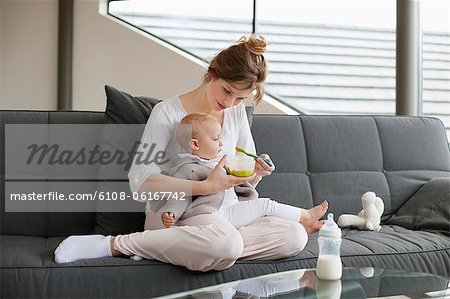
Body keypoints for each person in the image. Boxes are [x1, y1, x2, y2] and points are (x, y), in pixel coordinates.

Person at [54, 34, 328, 271]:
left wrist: (255, 171)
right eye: (227, 90)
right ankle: (115, 245)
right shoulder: (167, 113)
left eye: (240, 98)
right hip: (176, 215)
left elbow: (240, 177)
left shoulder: (235, 113)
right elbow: (141, 182)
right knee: (226, 244)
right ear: (212, 73)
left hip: (225, 215)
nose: (230, 103)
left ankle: (184, 251)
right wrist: (203, 185)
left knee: (293, 236)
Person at [159, 112, 328, 234]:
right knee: (265, 205)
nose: (221, 143)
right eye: (216, 139)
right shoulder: (188, 168)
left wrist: (256, 170)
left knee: (267, 219)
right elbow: (178, 194)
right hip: (218, 214)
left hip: (234, 209)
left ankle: (304, 229)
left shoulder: (217, 163)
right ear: (195, 144)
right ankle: (305, 215)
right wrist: (172, 213)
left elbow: (241, 182)